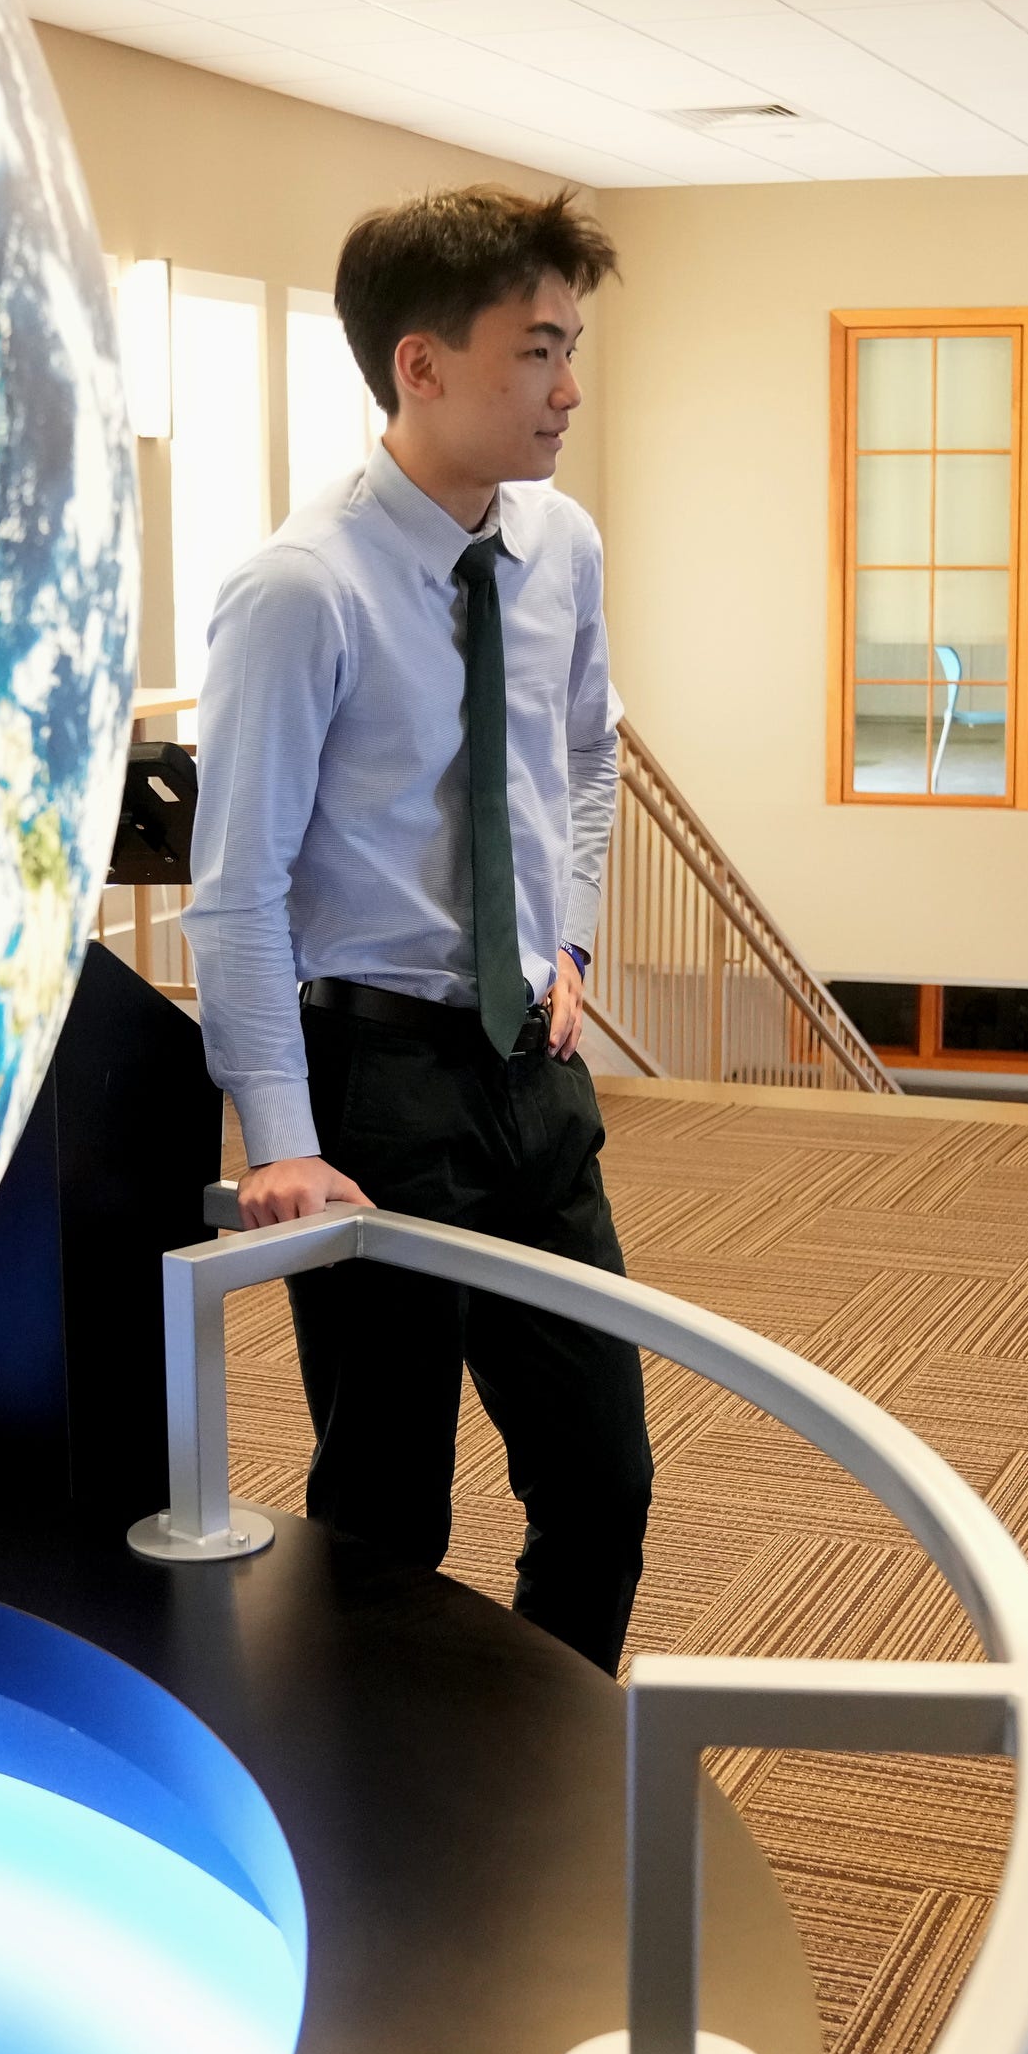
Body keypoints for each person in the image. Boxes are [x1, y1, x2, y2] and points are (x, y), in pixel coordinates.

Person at [181, 186, 647, 1675]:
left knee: (602, 1484)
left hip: (532, 1076)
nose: (568, 389)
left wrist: (568, 944)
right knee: (389, 1510)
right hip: (377, 1090)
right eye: (537, 351)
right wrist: (280, 1133)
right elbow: (234, 887)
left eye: (572, 350)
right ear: (422, 364)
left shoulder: (561, 544)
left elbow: (586, 756)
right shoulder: (299, 591)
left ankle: (549, 1767)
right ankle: (374, 1785)